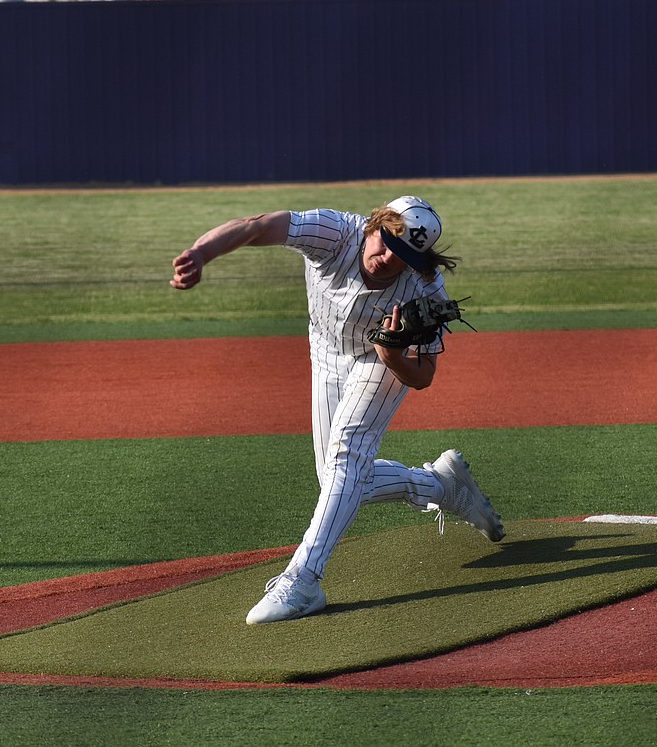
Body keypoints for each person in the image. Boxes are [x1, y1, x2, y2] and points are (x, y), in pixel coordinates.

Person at [170, 196, 504, 625]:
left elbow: (423, 377)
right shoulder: (334, 233)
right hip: (325, 349)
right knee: (335, 482)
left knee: (347, 454)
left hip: (379, 361)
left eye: (401, 255)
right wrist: (201, 253)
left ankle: (303, 579)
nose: (386, 258)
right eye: (385, 243)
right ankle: (439, 486)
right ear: (372, 227)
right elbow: (257, 226)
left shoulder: (425, 288)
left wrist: (391, 355)